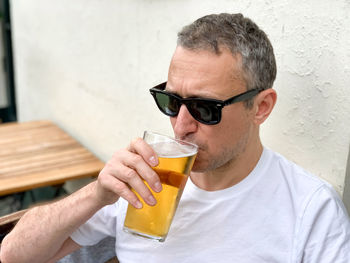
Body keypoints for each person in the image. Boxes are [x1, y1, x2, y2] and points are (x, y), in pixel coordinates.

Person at [1, 13, 349, 263]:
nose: (181, 125)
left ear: (260, 108)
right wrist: (96, 194)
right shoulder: (144, 181)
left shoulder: (308, 209)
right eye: (171, 101)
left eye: (204, 108)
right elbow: (13, 254)